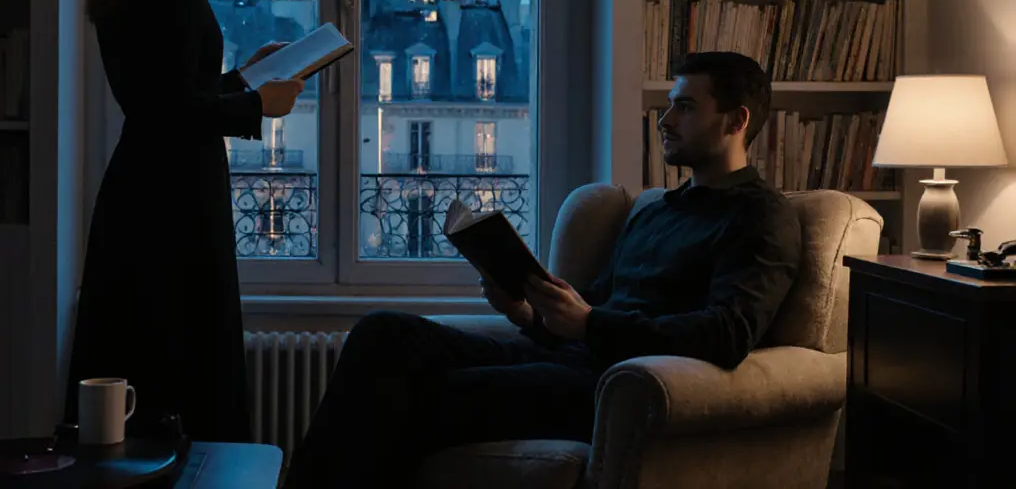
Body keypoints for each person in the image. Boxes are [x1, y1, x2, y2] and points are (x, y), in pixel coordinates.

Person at [281, 51, 803, 488]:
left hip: (615, 383)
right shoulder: (656, 209)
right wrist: (527, 313)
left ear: (737, 121)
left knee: (426, 394)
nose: (665, 121)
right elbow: (590, 311)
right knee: (383, 333)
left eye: (685, 107)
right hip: (574, 356)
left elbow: (728, 333)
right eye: (669, 106)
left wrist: (590, 325)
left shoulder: (760, 216)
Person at [64, 0, 305, 442]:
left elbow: (164, 93)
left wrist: (247, 78)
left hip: (138, 188)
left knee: (131, 377)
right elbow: (172, 106)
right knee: (187, 373)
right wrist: (257, 104)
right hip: (176, 197)